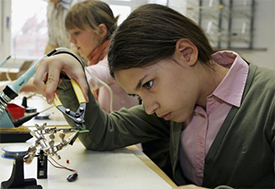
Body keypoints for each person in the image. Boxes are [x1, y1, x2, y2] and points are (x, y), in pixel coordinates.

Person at [33, 4, 275, 189]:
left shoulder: (268, 101)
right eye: (137, 94)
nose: (148, 108)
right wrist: (67, 75)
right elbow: (102, 134)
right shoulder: (176, 107)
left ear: (186, 53)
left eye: (148, 84)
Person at [64, 0, 139, 112]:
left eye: (77, 32)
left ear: (101, 31)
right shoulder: (95, 58)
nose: (71, 40)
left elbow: (92, 76)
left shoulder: (117, 57)